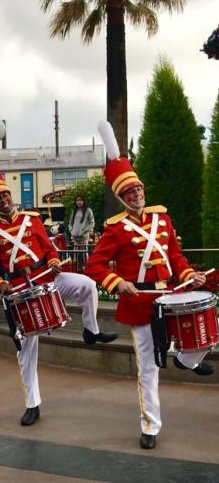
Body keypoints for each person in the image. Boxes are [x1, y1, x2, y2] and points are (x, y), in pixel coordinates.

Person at [0, 139, 117, 427]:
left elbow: (48, 248)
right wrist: (0, 284)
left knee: (86, 285)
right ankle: (32, 403)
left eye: (4, 195)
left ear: (9, 195)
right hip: (20, 290)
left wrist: (54, 260)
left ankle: (91, 331)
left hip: (48, 278)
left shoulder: (32, 220)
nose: (3, 200)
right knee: (26, 351)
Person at [84, 121, 212, 451]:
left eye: (138, 189)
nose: (136, 195)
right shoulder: (115, 229)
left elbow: (176, 259)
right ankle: (150, 425)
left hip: (171, 295)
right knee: (148, 368)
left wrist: (189, 276)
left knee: (203, 336)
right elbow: (94, 265)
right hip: (140, 302)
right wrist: (117, 282)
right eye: (129, 192)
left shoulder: (162, 219)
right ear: (121, 197)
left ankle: (187, 361)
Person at [68, 196, 95, 270]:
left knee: (84, 253)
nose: (79, 202)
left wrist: (85, 230)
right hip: (75, 236)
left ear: (84, 201)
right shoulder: (74, 210)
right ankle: (78, 269)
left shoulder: (88, 210)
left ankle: (87, 269)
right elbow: (70, 223)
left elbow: (92, 223)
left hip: (84, 236)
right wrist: (71, 231)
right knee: (77, 254)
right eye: (77, 200)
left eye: (80, 200)